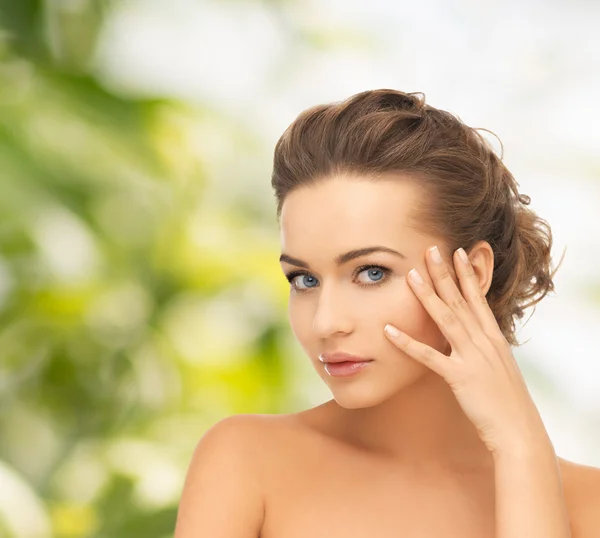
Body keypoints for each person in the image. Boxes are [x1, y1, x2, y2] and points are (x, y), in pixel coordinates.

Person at [174, 89, 600, 537]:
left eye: (372, 273)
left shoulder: (587, 505)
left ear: (471, 273)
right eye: (304, 280)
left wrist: (521, 448)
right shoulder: (248, 462)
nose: (326, 322)